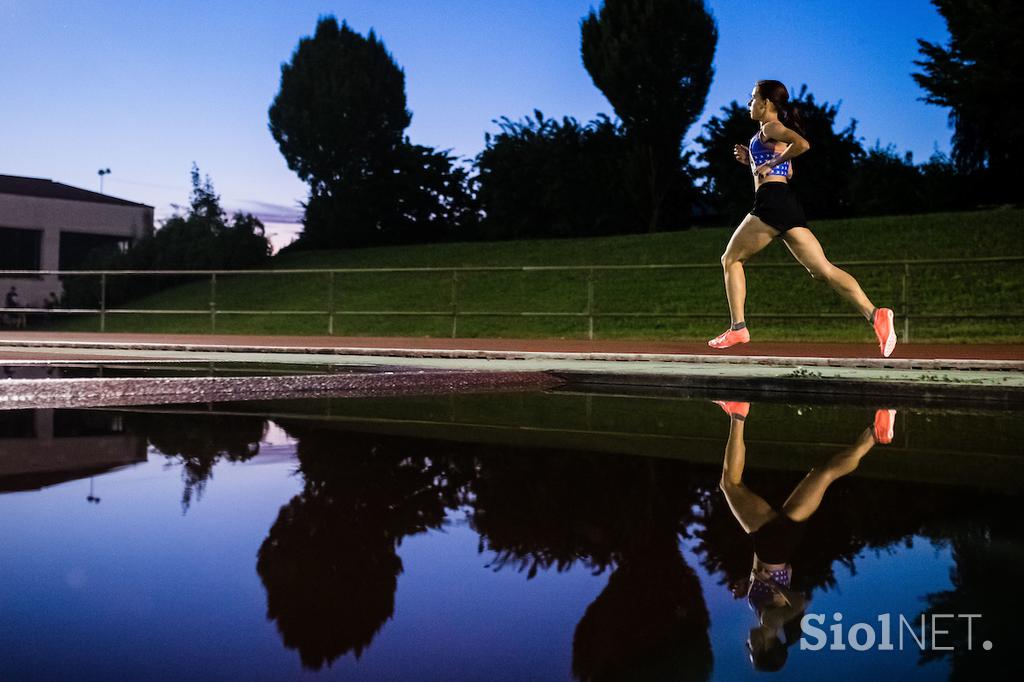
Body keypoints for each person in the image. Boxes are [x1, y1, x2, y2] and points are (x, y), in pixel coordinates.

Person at [707, 80, 897, 358]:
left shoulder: (770, 127)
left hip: (771, 203)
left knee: (730, 259)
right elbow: (789, 171)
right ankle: (876, 315)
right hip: (786, 203)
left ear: (766, 103)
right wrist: (752, 159)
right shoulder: (767, 135)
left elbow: (802, 145)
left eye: (752, 98)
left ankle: (738, 327)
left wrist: (770, 162)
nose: (749, 104)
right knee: (822, 270)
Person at [715, 399, 896, 671]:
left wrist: (748, 581)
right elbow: (801, 601)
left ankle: (876, 434)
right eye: (751, 649)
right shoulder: (771, 623)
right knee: (730, 484)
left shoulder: (764, 616)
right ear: (766, 646)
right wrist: (772, 585)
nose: (747, 644)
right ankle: (738, 413)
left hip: (782, 543)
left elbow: (770, 584)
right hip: (771, 545)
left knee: (823, 474)